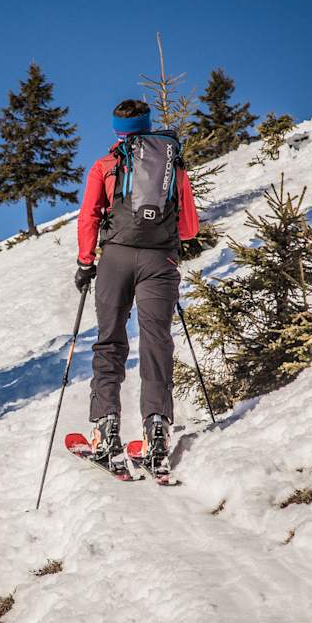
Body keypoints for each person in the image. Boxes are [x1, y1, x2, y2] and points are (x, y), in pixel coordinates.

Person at [73, 99, 199, 473]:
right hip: (160, 262)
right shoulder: (172, 165)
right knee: (156, 340)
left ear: (117, 130)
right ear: (147, 125)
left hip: (115, 259)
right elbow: (189, 229)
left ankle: (105, 428)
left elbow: (88, 216)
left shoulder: (105, 165)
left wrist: (85, 262)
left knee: (110, 340)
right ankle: (157, 429)